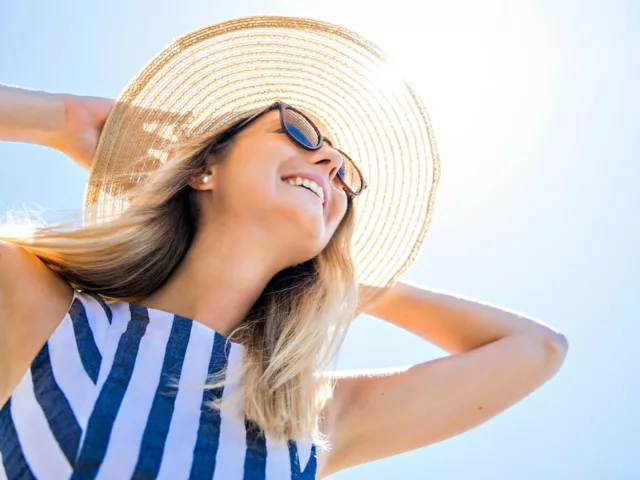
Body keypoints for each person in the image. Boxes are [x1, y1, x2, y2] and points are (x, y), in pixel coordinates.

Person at [0, 16, 568, 480]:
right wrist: (64, 120)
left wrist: (346, 283)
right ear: (204, 168)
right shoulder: (49, 314)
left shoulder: (304, 423)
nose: (330, 165)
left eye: (346, 176)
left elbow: (538, 348)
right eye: (297, 131)